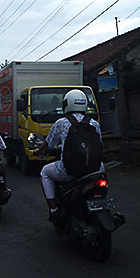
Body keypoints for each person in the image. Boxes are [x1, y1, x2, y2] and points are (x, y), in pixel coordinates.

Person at [39, 88, 103, 221]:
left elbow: (48, 144)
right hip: (95, 170)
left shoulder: (61, 123)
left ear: (66, 104)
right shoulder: (94, 123)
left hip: (68, 171)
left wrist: (38, 151)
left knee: (45, 172)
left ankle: (53, 209)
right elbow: (100, 145)